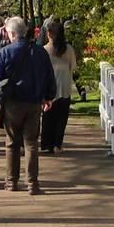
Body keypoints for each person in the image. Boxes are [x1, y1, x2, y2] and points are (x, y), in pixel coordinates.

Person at [0, 15, 56, 194]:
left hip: (12, 103)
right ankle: (32, 183)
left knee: (12, 143)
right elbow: (50, 75)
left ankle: (11, 182)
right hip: (34, 102)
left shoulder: (5, 52)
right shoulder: (40, 52)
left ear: (11, 33)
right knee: (31, 143)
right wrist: (49, 97)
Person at [39, 17, 79, 154]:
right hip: (65, 87)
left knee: (48, 118)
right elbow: (72, 67)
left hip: (49, 89)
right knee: (61, 119)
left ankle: (47, 144)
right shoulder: (68, 49)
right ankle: (57, 144)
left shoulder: (44, 50)